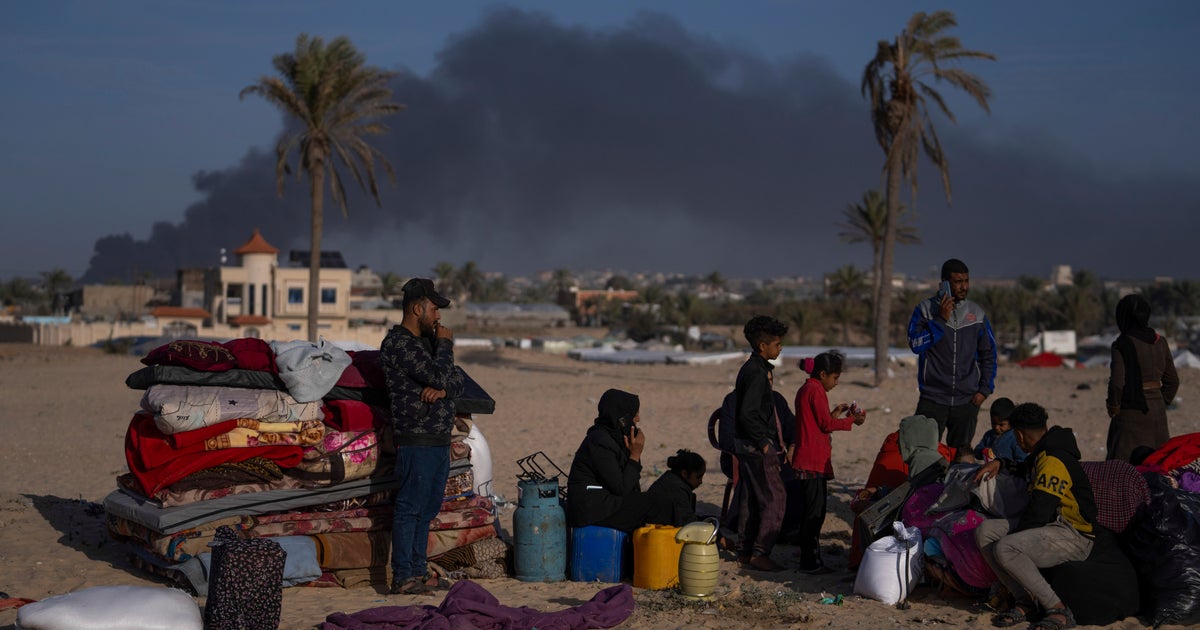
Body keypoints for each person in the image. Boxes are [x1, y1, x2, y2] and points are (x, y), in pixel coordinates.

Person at [973, 403, 1097, 630]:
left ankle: (1057, 609)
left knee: (1005, 548)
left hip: (1074, 534)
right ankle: (1024, 600)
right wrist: (1001, 462)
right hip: (1051, 526)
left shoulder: (1053, 460)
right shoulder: (1042, 452)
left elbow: (1040, 512)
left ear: (1019, 435)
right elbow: (1023, 469)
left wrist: (1010, 544)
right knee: (985, 532)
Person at [381, 277, 464, 596]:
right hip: (415, 439)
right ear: (417, 308)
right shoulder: (399, 344)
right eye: (434, 309)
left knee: (427, 508)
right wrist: (445, 347)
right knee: (410, 507)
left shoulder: (428, 347)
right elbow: (441, 373)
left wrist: (442, 389)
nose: (439, 317)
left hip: (437, 440)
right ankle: (403, 576)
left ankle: (418, 570)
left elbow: (457, 381)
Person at [907, 258, 998, 450]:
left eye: (966, 281)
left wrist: (984, 390)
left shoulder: (977, 313)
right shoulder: (924, 310)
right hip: (932, 398)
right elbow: (916, 345)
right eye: (958, 282)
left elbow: (988, 354)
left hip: (967, 400)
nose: (964, 286)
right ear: (944, 284)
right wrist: (940, 320)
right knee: (923, 453)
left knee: (960, 457)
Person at [790, 351, 866, 573]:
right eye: (835, 378)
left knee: (813, 511)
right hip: (812, 460)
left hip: (809, 457)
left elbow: (819, 422)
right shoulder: (816, 390)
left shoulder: (808, 389)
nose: (836, 382)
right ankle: (809, 561)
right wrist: (852, 420)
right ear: (823, 374)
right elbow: (825, 425)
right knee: (815, 513)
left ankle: (811, 558)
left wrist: (837, 413)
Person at [732, 315, 789, 572]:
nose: (779, 349)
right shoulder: (756, 372)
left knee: (752, 497)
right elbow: (748, 413)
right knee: (775, 497)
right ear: (762, 346)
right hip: (756, 445)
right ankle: (760, 552)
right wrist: (764, 443)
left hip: (747, 444)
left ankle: (745, 551)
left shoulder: (757, 368)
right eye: (777, 344)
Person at [1106, 294, 1180, 461]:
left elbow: (1117, 383)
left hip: (1131, 413)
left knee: (1123, 469)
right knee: (1156, 466)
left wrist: (1114, 407)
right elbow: (1173, 381)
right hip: (1158, 413)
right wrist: (1162, 402)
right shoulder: (1160, 342)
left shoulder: (1121, 343)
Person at [566, 388, 651, 532]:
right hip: (592, 510)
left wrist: (633, 451)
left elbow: (632, 484)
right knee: (652, 506)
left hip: (605, 503)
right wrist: (635, 454)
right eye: (634, 414)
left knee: (654, 502)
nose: (638, 419)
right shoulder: (599, 442)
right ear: (622, 419)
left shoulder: (615, 437)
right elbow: (621, 488)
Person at [644, 450, 706, 527]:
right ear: (685, 474)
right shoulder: (677, 490)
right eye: (698, 477)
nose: (701, 481)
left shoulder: (670, 479)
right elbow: (688, 523)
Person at [973, 397, 1025, 463]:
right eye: (994, 423)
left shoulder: (1015, 438)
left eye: (1001, 425)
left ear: (1012, 422)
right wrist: (983, 451)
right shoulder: (989, 435)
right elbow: (977, 451)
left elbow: (1022, 460)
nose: (996, 427)